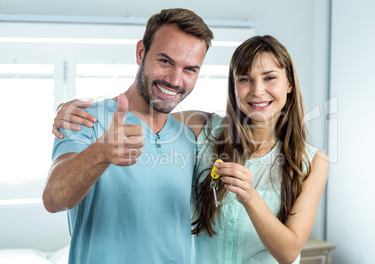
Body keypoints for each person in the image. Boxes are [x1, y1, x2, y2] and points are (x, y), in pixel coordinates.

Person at [53, 35, 329, 264]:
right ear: (234, 87)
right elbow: (143, 116)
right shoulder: (203, 128)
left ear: (289, 84)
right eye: (244, 79)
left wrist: (250, 197)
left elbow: (289, 252)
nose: (257, 91)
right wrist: (75, 110)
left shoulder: (313, 162)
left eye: (270, 78)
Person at [43, 8, 214, 264]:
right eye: (165, 61)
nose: (175, 80)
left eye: (190, 69)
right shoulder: (86, 119)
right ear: (141, 53)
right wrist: (100, 153)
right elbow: (54, 198)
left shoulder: (189, 137)